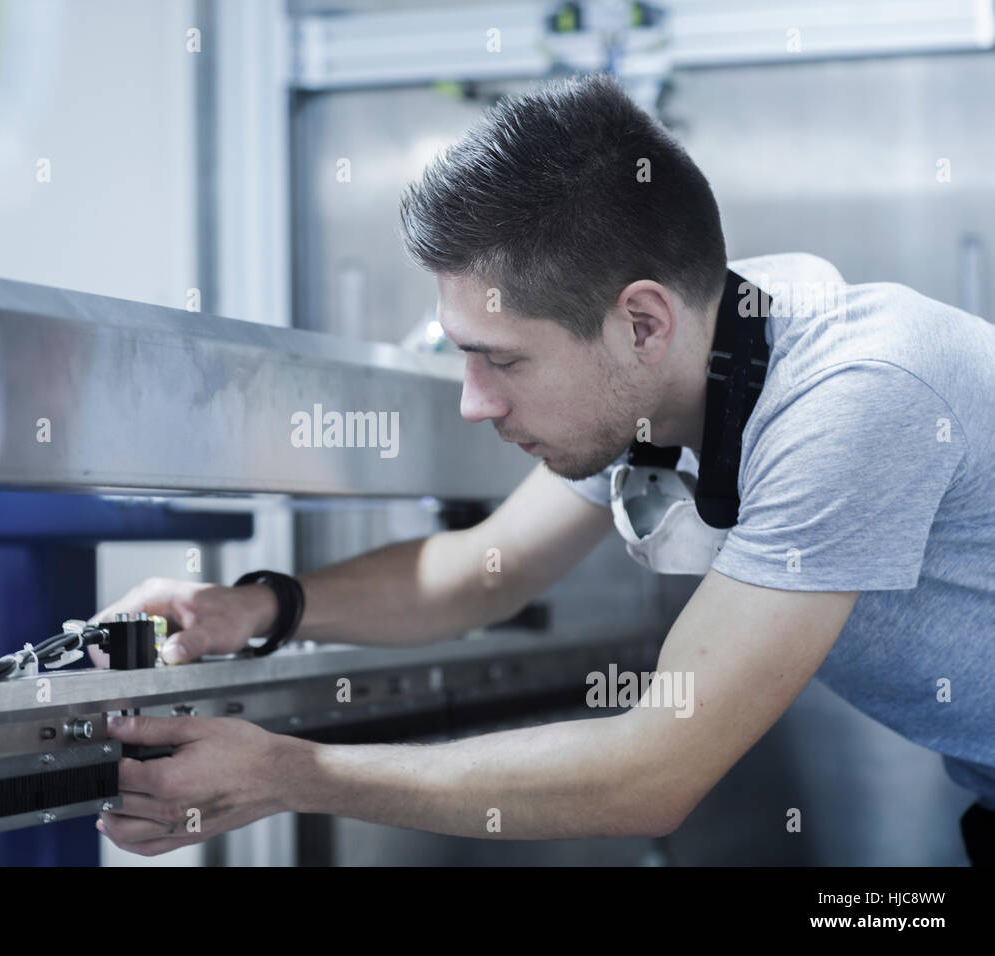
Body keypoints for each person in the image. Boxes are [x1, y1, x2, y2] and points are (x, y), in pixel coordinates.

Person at [89, 73, 995, 864]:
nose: (473, 403)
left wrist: (293, 773)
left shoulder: (855, 398)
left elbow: (654, 772)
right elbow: (481, 572)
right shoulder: (687, 355)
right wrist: (250, 609)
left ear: (642, 324)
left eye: (503, 361)